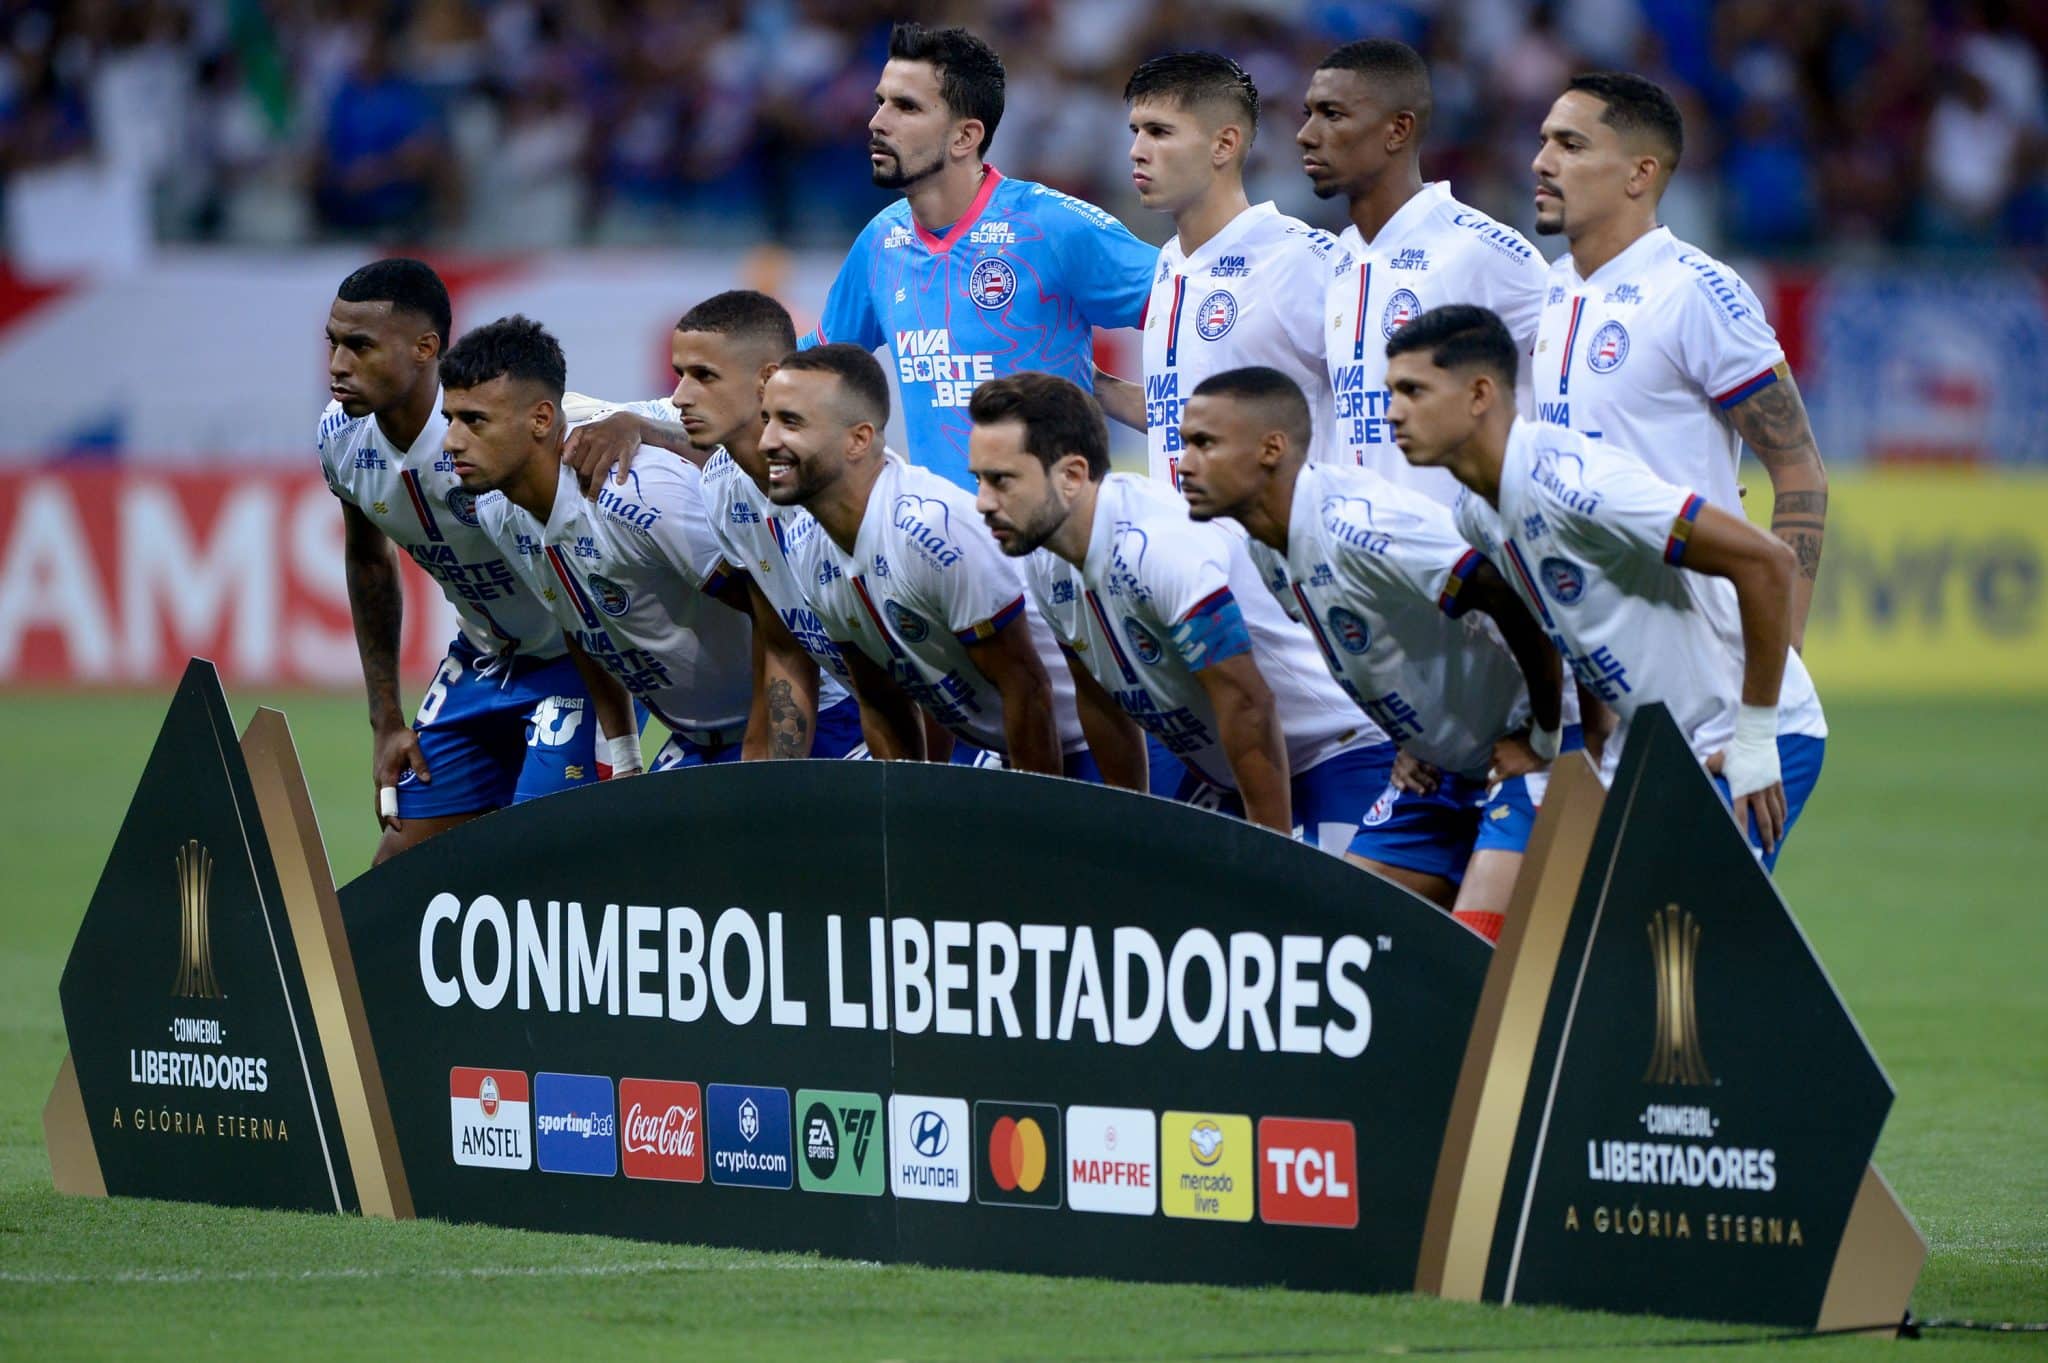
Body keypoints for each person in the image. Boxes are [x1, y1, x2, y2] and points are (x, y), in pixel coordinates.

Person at [1387, 305, 1825, 868]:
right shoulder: (1478, 513)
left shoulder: (1573, 484)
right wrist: (1580, 746)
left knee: (1670, 947)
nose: (1393, 412)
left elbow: (1768, 564)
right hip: (1650, 750)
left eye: (1413, 391)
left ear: (1478, 395)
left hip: (1741, 739)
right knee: (1577, 944)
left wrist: (1757, 738)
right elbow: (1575, 628)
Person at [1174, 366, 1565, 934]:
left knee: (1483, 955)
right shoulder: (1267, 549)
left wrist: (1543, 735)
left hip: (1537, 745)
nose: (1184, 464)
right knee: (1341, 943)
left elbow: (1521, 598)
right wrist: (1412, 737)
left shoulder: (1360, 527)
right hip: (1444, 765)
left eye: (1204, 444)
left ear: (1271, 449)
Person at [968, 372, 1396, 854]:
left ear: (1071, 476)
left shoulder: (1160, 546)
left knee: (1301, 920)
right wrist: (1129, 831)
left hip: (1335, 753)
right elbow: (1098, 700)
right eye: (978, 480)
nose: (983, 502)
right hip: (1227, 774)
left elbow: (1248, 705)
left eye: (1001, 480)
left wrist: (1273, 864)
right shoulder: (1046, 557)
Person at [1529, 71, 1829, 647]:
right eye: (1544, 140)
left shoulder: (1697, 291)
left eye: (1571, 145)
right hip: (1587, 649)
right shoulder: (1548, 290)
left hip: (1691, 652)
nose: (1542, 162)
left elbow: (1800, 474)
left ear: (1640, 174)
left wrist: (1780, 657)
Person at [317, 259, 597, 864]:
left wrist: (637, 425)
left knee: (542, 869)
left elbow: (620, 416)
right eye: (333, 343)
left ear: (425, 349)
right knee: (397, 870)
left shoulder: (496, 423)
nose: (338, 366)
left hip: (577, 664)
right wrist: (386, 718)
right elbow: (368, 561)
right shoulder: (340, 439)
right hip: (481, 661)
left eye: (360, 346)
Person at [798, 22, 1157, 489]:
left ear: (965, 137)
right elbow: (808, 368)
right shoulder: (880, 242)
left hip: (1050, 550)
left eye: (905, 107)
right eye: (880, 102)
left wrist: (1116, 394)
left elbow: (1198, 317)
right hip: (937, 545)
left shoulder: (1052, 226)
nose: (877, 121)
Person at [552, 292, 868, 759]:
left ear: (766, 379)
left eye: (703, 376)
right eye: (680, 374)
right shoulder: (724, 485)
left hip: (911, 719)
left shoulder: (838, 492)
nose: (680, 395)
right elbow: (782, 643)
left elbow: (905, 677)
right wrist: (763, 769)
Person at [446, 315, 756, 772]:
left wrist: (773, 750)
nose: (451, 442)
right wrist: (626, 757)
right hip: (696, 741)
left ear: (541, 419)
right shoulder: (497, 510)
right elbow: (582, 626)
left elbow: (775, 616)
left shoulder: (635, 494)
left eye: (474, 421)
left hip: (787, 725)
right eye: (449, 419)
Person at [762, 344, 1090, 776]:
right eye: (767, 419)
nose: (767, 441)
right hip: (1002, 749)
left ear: (858, 440)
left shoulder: (930, 530)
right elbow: (881, 701)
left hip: (1082, 750)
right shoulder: (807, 543)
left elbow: (1028, 691)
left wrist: (1031, 827)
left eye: (791, 423)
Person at [1297, 39, 1549, 501]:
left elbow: (1585, 376)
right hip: (1358, 560)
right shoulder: (1339, 259)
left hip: (1462, 562)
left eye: (1332, 114)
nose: (1307, 134)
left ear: (1397, 130)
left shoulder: (1479, 249)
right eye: (1308, 113)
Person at [1104, 51, 1342, 487]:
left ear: (1224, 144)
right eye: (1136, 131)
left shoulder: (1301, 259)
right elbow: (1176, 413)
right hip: (1183, 549)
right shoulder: (1170, 264)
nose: (1137, 151)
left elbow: (1382, 404)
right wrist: (1091, 381)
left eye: (1159, 132)